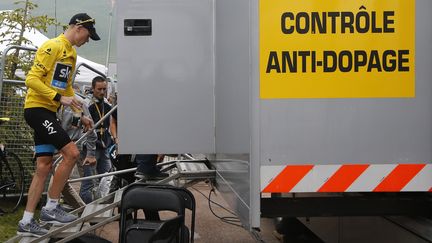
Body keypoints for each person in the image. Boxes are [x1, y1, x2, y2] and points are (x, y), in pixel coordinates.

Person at [17, 13, 100, 237]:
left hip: (49, 112)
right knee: (72, 153)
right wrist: (57, 98)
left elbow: (66, 89)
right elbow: (31, 80)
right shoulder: (52, 46)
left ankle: (26, 221)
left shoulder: (71, 53)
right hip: (37, 109)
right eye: (88, 35)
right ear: (78, 28)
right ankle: (51, 207)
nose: (88, 40)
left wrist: (79, 113)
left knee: (44, 165)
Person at [53, 93, 97, 209]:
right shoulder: (49, 101)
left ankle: (50, 212)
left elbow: (91, 130)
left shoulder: (78, 102)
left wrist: (91, 154)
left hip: (73, 146)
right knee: (63, 185)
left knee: (58, 182)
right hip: (55, 148)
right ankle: (83, 212)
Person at [80, 76, 113, 203]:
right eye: (99, 89)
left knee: (106, 179)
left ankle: (102, 208)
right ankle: (84, 212)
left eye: (104, 89)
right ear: (93, 88)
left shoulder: (106, 104)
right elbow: (87, 130)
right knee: (89, 182)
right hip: (90, 148)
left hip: (104, 146)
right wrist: (90, 152)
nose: (102, 92)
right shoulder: (87, 104)